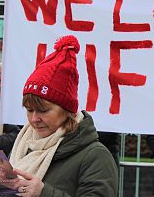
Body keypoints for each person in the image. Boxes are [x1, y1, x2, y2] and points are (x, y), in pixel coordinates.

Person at [9, 35, 118, 196]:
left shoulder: (96, 156)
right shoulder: (24, 144)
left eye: (43, 111)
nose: (34, 119)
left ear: (67, 110)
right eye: (29, 110)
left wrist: (44, 193)